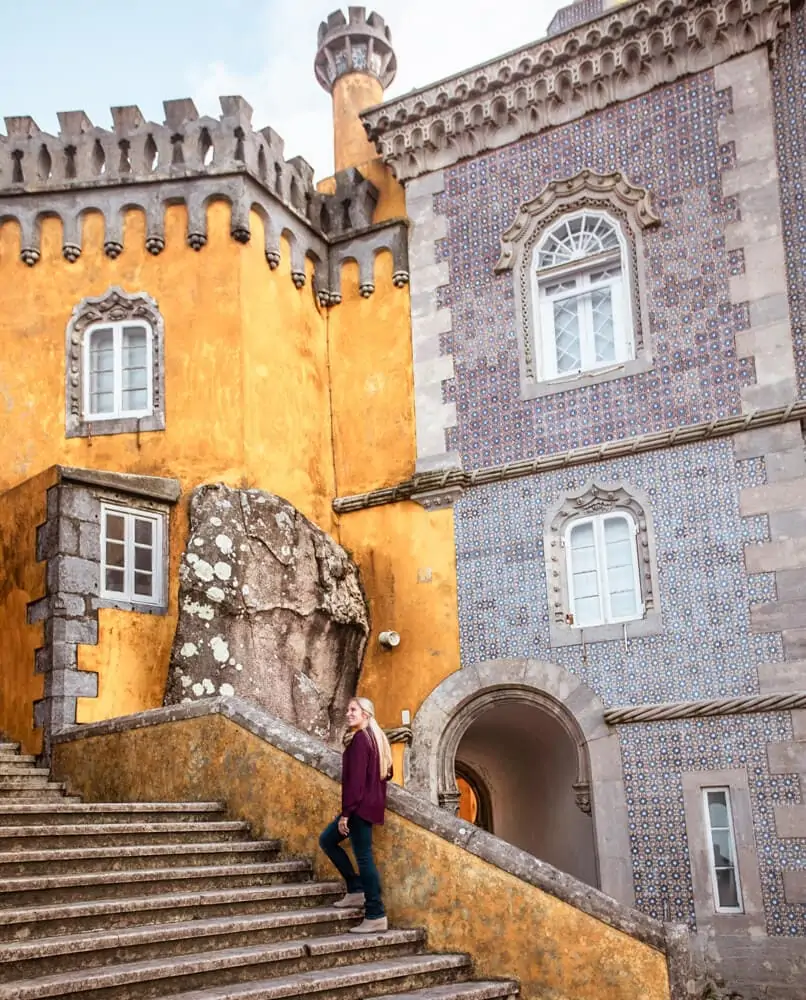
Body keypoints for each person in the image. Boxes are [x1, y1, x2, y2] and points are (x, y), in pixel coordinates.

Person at [319, 696, 393, 933]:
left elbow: (356, 783)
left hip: (359, 807)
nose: (349, 713)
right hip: (369, 805)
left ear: (366, 715)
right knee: (330, 841)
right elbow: (387, 773)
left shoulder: (361, 740)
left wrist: (346, 814)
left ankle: (375, 913)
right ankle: (355, 890)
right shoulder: (375, 738)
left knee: (362, 857)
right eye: (349, 709)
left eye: (354, 710)